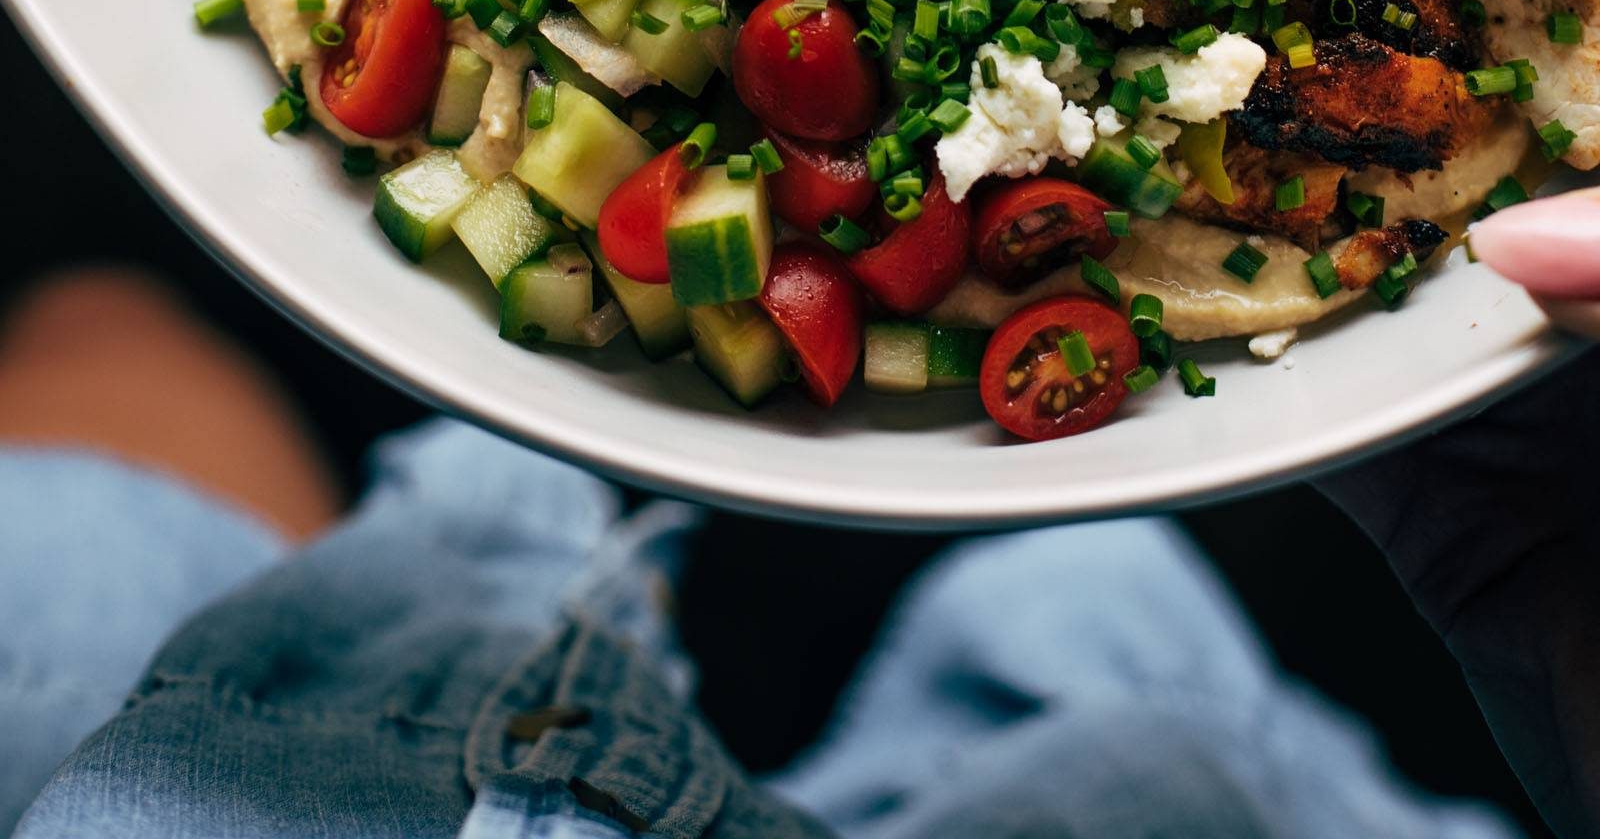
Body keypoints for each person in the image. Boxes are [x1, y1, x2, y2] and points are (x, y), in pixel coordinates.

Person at [0, 196, 1592, 839]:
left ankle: (530, 534)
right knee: (1091, 624)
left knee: (97, 345)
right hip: (1169, 779)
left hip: (226, 744)